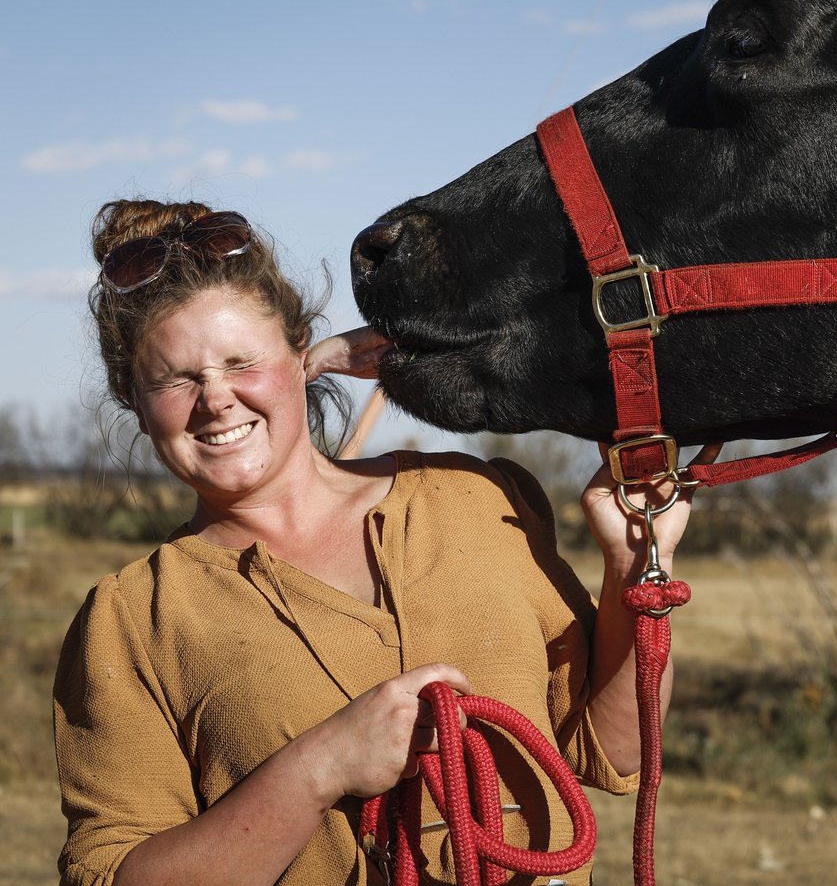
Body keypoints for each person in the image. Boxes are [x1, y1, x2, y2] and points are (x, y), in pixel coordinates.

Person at [54, 199, 713, 886]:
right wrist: (320, 768)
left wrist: (637, 567)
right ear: (133, 397)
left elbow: (609, 749)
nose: (216, 398)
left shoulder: (478, 498)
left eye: (241, 361)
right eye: (176, 379)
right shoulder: (131, 621)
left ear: (298, 352)